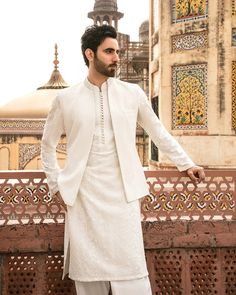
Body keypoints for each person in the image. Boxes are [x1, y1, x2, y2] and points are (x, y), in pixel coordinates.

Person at [41, 24, 205, 295]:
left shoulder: (132, 94)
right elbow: (47, 146)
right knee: (89, 279)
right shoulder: (65, 99)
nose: (116, 57)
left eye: (118, 51)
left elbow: (158, 132)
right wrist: (56, 185)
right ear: (90, 54)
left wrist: (186, 162)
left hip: (124, 197)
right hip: (84, 199)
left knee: (132, 276)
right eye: (109, 52)